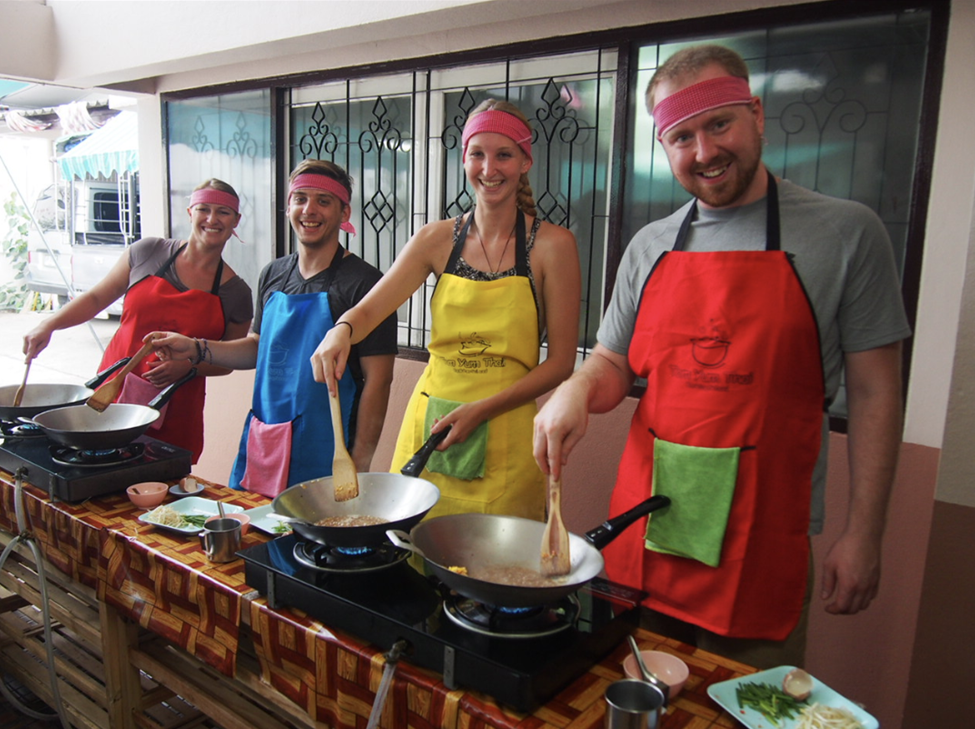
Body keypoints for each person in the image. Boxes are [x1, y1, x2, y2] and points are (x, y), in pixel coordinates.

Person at [532, 45, 911, 668]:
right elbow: (611, 362)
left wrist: (864, 533)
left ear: (756, 114)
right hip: (645, 537)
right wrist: (575, 388)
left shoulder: (846, 233)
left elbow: (875, 393)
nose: (704, 152)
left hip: (759, 546)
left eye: (718, 125)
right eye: (681, 136)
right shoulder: (649, 246)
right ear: (664, 146)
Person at [311, 100, 581, 521]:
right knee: (413, 557)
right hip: (429, 426)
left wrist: (482, 410)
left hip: (506, 430)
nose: (489, 168)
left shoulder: (553, 246)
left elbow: (562, 363)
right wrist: (341, 330)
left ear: (526, 161)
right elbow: (371, 309)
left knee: (496, 566)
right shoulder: (435, 239)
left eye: (504, 154)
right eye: (477, 154)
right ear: (463, 159)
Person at [149, 160, 396, 497]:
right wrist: (196, 348)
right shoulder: (273, 274)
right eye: (300, 199)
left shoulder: (365, 283)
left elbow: (379, 380)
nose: (309, 210)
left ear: (343, 212)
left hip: (326, 447)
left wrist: (361, 459)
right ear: (288, 207)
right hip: (265, 435)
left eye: (324, 201)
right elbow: (257, 346)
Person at [23, 179, 254, 463]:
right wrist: (49, 325)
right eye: (203, 209)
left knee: (159, 488)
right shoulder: (147, 253)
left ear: (236, 220)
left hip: (176, 403)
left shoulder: (236, 293)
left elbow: (228, 361)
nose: (212, 219)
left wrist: (188, 366)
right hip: (112, 393)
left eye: (223, 212)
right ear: (190, 212)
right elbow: (96, 299)